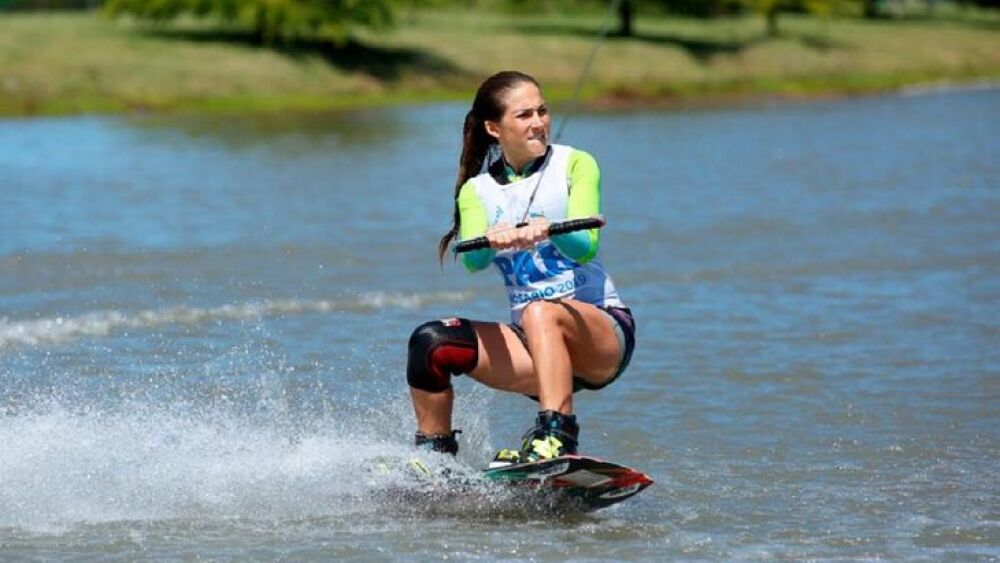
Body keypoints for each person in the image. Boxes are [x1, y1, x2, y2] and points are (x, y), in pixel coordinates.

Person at [405, 70, 635, 465]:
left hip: (601, 334)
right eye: (524, 115)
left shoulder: (576, 164)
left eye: (542, 111)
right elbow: (474, 261)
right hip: (534, 348)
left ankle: (557, 437)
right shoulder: (476, 191)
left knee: (540, 311)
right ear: (495, 128)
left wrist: (548, 231)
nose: (539, 122)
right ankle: (435, 459)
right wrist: (493, 239)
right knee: (431, 342)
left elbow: (585, 247)